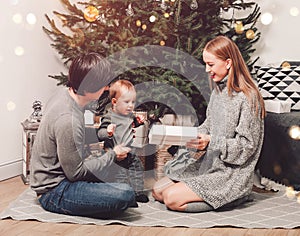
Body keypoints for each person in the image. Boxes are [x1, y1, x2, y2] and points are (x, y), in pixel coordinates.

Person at [152, 35, 266, 213]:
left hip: (231, 174)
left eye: (211, 64)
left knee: (171, 199)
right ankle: (211, 195)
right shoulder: (218, 92)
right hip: (210, 165)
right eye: (205, 64)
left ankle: (236, 196)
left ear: (228, 63)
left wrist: (211, 141)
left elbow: (247, 147)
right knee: (158, 191)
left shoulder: (249, 98)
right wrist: (187, 135)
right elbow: (208, 126)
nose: (207, 69)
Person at [30, 53, 136, 219]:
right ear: (88, 88)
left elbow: (78, 138)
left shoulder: (65, 94)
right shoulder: (67, 119)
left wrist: (103, 135)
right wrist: (113, 155)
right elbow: (76, 173)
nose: (107, 88)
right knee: (126, 194)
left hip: (66, 175)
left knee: (115, 177)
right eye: (103, 85)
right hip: (55, 190)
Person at [97, 79, 149, 203]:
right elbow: (99, 133)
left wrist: (138, 122)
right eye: (126, 102)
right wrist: (108, 132)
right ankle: (122, 194)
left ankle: (137, 193)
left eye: (133, 102)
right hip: (115, 153)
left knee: (137, 169)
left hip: (130, 151)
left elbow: (132, 125)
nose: (131, 105)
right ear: (114, 102)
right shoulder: (109, 117)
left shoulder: (129, 115)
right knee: (119, 175)